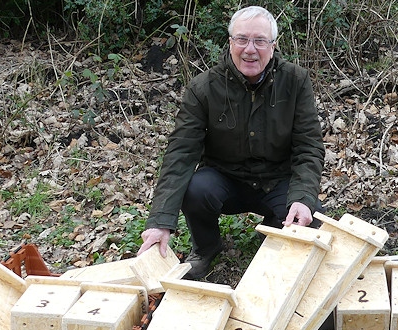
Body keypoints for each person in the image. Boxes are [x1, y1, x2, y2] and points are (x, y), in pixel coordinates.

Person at [137, 5, 325, 279]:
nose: (250, 49)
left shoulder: (295, 81)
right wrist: (159, 222)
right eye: (242, 39)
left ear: (273, 45)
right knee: (195, 188)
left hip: (277, 181)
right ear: (230, 43)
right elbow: (181, 153)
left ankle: (274, 229)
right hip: (225, 180)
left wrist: (303, 198)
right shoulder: (203, 88)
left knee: (312, 216)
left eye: (260, 40)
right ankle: (206, 247)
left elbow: (309, 146)